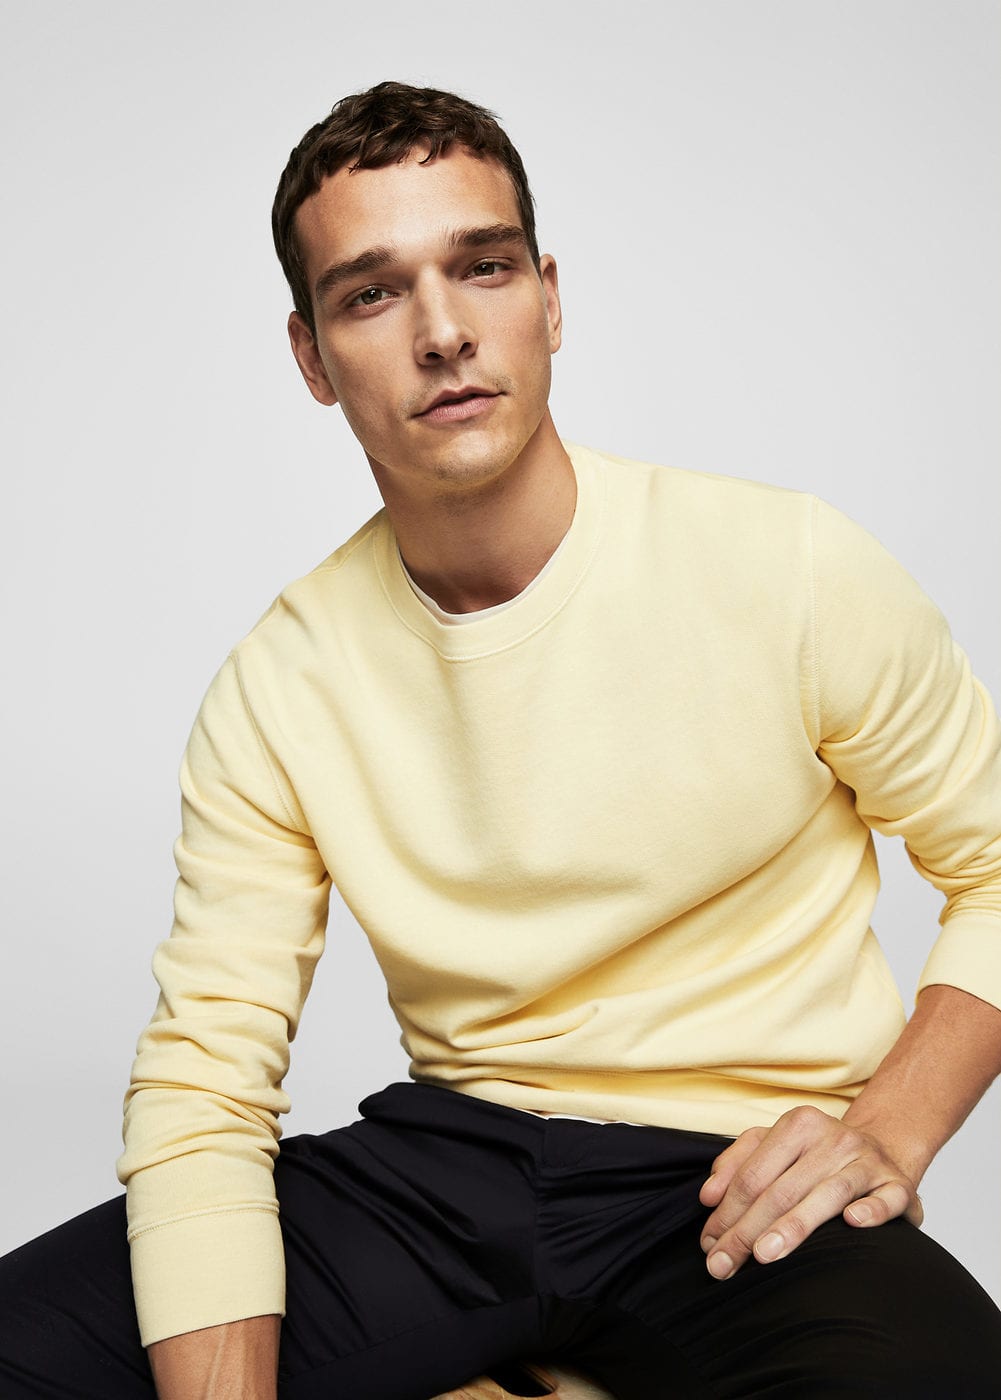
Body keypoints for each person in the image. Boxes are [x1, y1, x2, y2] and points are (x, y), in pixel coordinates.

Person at [2, 80, 1001, 1400]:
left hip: (735, 1177)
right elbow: (206, 1085)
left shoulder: (790, 568)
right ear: (312, 358)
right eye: (371, 293)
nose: (442, 334)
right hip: (445, 1174)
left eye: (480, 268)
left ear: (548, 299)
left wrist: (888, 1130)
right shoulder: (279, 684)